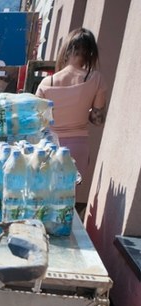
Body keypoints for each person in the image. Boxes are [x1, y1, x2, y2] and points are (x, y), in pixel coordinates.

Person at [35, 28, 107, 200]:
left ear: (66, 50)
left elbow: (36, 121)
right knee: (66, 203)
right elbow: (97, 119)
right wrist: (84, 111)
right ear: (90, 53)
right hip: (78, 147)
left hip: (49, 147)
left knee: (44, 198)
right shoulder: (96, 79)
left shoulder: (47, 82)